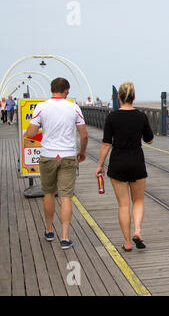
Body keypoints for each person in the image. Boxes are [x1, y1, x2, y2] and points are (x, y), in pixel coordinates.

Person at [25, 77, 88, 250]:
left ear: (52, 89)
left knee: (49, 193)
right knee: (66, 196)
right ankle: (65, 237)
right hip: (68, 155)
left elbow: (30, 133)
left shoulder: (41, 107)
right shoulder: (74, 107)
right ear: (66, 90)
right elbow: (84, 135)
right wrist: (81, 152)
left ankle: (49, 230)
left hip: (48, 156)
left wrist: (42, 130)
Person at [95, 82, 154, 252]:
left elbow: (106, 144)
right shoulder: (141, 116)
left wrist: (100, 165)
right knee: (138, 201)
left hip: (118, 163)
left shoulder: (112, 117)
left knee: (123, 205)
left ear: (118, 98)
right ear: (134, 97)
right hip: (136, 162)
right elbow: (149, 140)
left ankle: (127, 242)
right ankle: (137, 231)